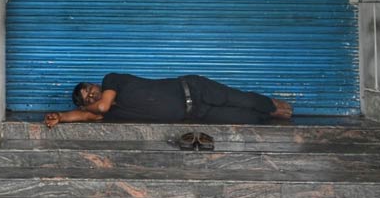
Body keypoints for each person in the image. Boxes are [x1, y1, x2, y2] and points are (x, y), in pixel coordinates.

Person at [44, 73, 293, 127]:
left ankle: (277, 106)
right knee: (246, 117)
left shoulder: (112, 80)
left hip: (195, 89)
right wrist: (61, 117)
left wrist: (90, 106)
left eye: (90, 89)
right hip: (196, 114)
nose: (92, 94)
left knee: (245, 100)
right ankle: (271, 114)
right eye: (87, 97)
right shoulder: (106, 112)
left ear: (96, 84)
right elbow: (85, 115)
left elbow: (100, 106)